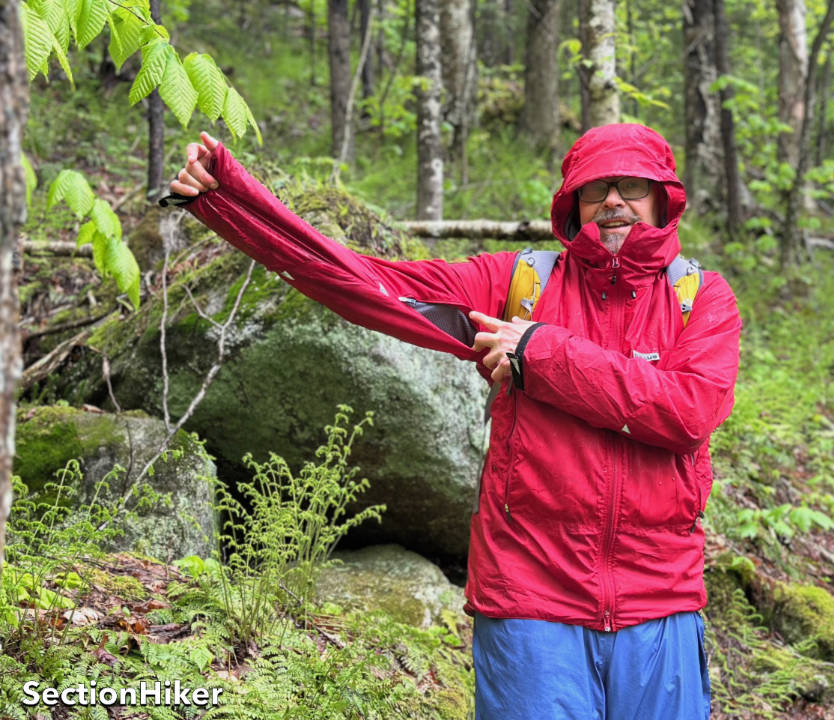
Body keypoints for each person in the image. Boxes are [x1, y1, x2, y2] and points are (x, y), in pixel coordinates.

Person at [168, 123, 741, 719]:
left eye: (630, 185)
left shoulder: (701, 298)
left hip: (660, 603)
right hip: (530, 600)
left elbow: (687, 412)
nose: (613, 200)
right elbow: (373, 285)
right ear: (573, 205)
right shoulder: (521, 286)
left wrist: (540, 352)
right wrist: (228, 200)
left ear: (662, 197)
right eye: (595, 189)